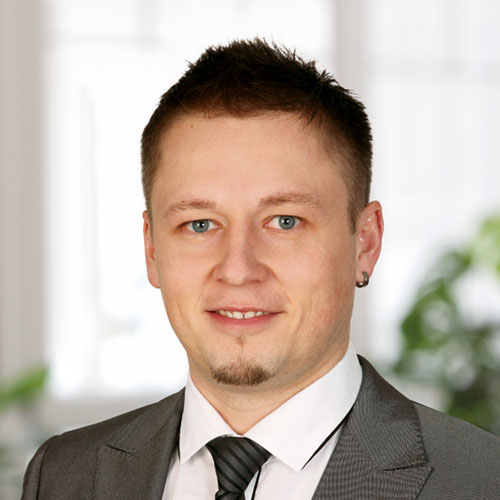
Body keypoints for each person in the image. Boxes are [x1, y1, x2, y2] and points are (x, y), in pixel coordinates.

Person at [22, 39, 500, 500]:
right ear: (152, 249)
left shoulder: (481, 482)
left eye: (284, 221)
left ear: (365, 242)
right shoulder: (64, 476)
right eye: (199, 224)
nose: (237, 270)